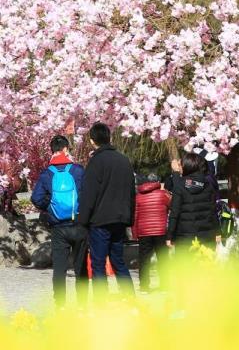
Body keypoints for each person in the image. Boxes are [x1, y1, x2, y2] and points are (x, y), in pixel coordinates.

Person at [78, 122, 135, 295]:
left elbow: (89, 194)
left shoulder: (96, 162)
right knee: (119, 261)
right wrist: (129, 218)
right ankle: (129, 298)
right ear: (109, 138)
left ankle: (101, 303)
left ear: (92, 141)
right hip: (119, 219)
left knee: (98, 263)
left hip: (100, 220)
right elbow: (131, 192)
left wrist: (83, 220)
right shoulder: (124, 161)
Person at [31, 135, 88, 307]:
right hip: (78, 225)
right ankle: (83, 305)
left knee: (60, 268)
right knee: (81, 267)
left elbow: (36, 198)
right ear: (65, 149)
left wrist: (49, 206)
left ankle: (60, 305)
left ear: (52, 151)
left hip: (58, 227)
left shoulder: (47, 173)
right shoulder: (78, 170)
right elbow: (87, 194)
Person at [166, 152, 221, 250]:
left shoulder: (180, 186)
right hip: (207, 237)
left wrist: (170, 236)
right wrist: (217, 232)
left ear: (187, 166)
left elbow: (174, 213)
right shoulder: (207, 184)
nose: (179, 168)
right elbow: (213, 210)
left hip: (185, 238)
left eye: (180, 165)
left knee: (187, 265)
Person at [132, 173, 171, 292]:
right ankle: (165, 284)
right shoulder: (164, 195)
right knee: (163, 258)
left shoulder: (138, 196)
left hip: (144, 232)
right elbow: (172, 207)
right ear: (157, 182)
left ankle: (144, 286)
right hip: (160, 231)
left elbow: (135, 216)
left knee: (144, 259)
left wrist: (135, 234)